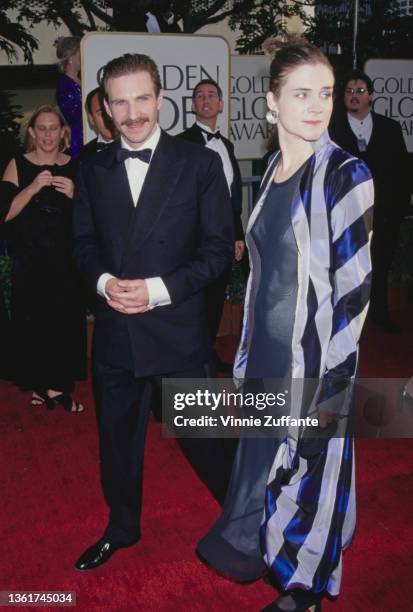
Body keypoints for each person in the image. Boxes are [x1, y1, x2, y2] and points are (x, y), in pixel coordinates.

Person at [197, 37, 374, 612]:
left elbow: (354, 291)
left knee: (312, 470)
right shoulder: (274, 167)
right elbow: (263, 276)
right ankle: (268, 555)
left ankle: (308, 590)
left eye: (324, 93)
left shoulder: (345, 174)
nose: (317, 105)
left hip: (316, 361)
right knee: (263, 462)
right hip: (268, 353)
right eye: (301, 93)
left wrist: (335, 386)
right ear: (272, 103)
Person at [72, 53, 234, 571]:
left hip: (176, 331)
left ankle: (246, 521)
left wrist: (157, 290)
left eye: (142, 98)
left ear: (161, 98)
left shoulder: (199, 164)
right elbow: (82, 244)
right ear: (105, 108)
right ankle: (122, 527)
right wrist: (103, 282)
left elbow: (215, 252)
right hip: (117, 333)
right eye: (119, 102)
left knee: (208, 443)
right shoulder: (93, 167)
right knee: (117, 445)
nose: (132, 112)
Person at [1, 105, 87, 411]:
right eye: (43, 128)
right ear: (32, 133)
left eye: (54, 128)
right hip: (30, 261)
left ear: (63, 132)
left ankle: (54, 387)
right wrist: (33, 187)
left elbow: (94, 220)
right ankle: (44, 387)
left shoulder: (75, 167)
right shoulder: (18, 165)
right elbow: (6, 213)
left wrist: (76, 195)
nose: (48, 134)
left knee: (62, 324)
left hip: (66, 262)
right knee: (34, 325)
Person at [329, 69, 410, 334]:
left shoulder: (390, 128)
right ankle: (346, 322)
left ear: (371, 96)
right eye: (349, 91)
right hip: (345, 214)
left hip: (384, 214)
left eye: (360, 91)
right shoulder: (331, 129)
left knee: (380, 265)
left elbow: (401, 171)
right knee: (346, 269)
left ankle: (380, 315)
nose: (354, 96)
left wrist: (398, 210)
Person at [179, 79, 245, 372]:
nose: (206, 100)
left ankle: (206, 355)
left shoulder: (227, 145)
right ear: (193, 106)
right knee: (194, 305)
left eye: (212, 96)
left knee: (215, 300)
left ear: (220, 104)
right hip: (193, 241)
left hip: (222, 239)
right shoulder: (181, 144)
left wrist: (237, 234)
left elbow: (233, 194)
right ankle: (191, 360)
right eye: (199, 96)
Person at [55, 36, 83, 158]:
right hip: (77, 138)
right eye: (81, 53)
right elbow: (75, 113)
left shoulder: (81, 80)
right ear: (72, 55)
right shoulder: (65, 84)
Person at [79, 87, 117, 162]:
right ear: (91, 119)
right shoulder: (84, 154)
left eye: (111, 110)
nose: (108, 117)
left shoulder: (138, 147)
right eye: (101, 113)